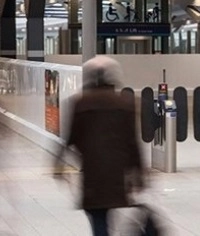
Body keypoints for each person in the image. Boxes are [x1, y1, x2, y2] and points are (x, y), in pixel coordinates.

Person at [56, 56, 144, 236]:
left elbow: (70, 137)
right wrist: (139, 174)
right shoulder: (125, 103)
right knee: (111, 213)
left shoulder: (80, 103)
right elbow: (132, 142)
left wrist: (58, 162)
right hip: (117, 172)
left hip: (92, 171)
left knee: (97, 216)